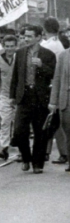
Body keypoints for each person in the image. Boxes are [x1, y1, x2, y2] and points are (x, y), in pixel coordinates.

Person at [9, 25, 56, 174]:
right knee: (19, 131)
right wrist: (12, 95)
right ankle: (26, 157)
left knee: (40, 132)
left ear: (38, 37)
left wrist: (42, 66)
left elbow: (54, 74)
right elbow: (16, 75)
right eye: (24, 36)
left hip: (40, 97)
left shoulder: (48, 54)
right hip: (24, 96)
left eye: (29, 36)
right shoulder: (21, 53)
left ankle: (37, 163)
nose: (26, 39)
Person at [41, 17, 67, 165]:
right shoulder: (59, 44)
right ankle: (48, 151)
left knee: (53, 121)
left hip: (50, 85)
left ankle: (61, 152)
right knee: (53, 121)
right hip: (56, 84)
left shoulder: (48, 45)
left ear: (44, 29)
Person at [0, 35, 18, 160]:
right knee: (5, 121)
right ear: (3, 46)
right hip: (5, 94)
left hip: (18, 96)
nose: (9, 49)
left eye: (12, 46)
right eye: (7, 46)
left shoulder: (19, 59)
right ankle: (4, 147)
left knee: (18, 123)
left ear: (16, 46)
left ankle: (20, 149)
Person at [49, 40, 70, 172]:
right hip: (66, 100)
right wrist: (53, 101)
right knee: (68, 131)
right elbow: (57, 79)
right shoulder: (64, 55)